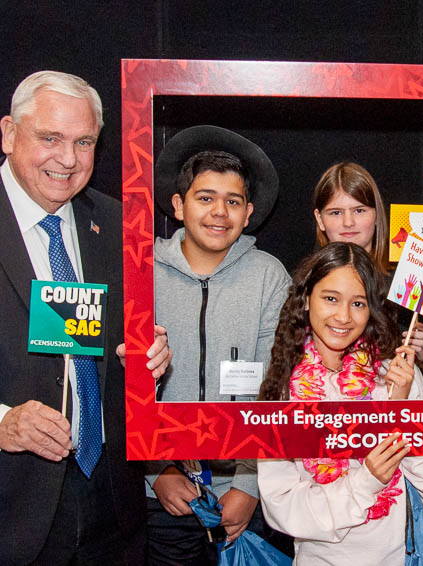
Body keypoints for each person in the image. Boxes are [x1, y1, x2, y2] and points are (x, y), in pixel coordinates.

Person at [0, 70, 171, 565]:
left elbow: (114, 347)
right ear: (9, 133)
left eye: (84, 141)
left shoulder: (118, 223)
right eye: (49, 138)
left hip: (112, 505)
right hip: (13, 510)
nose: (68, 159)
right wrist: (4, 422)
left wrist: (150, 357)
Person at [147, 125, 291, 564]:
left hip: (246, 494)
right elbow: (124, 383)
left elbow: (278, 385)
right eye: (205, 197)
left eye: (232, 202)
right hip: (166, 493)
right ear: (178, 205)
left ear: (248, 213)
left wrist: (248, 486)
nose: (219, 213)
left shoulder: (269, 277)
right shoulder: (141, 271)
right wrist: (157, 473)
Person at [257, 242, 423, 566]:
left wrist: (400, 411)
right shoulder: (281, 392)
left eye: (358, 303)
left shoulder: (397, 374)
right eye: (331, 298)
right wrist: (366, 481)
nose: (343, 317)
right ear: (305, 300)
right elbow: (283, 511)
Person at [313, 161, 423, 361]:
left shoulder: (408, 280)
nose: (348, 222)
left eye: (359, 210)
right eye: (336, 212)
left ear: (377, 214)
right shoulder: (310, 281)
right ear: (320, 218)